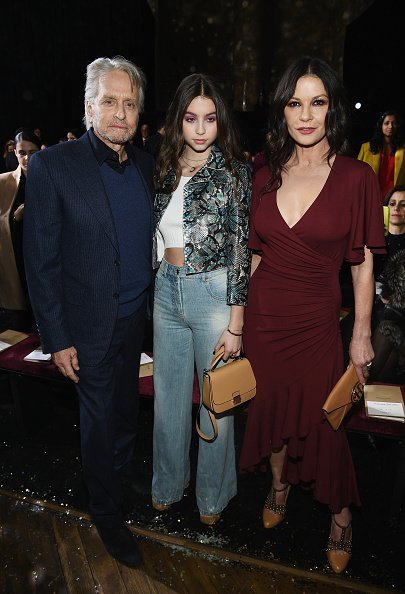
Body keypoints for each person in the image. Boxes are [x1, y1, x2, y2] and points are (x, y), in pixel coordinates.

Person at [239, 56, 385, 574]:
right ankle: (279, 488)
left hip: (318, 324)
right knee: (273, 412)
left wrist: (361, 335)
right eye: (294, 103)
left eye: (317, 102)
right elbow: (254, 256)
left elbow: (362, 262)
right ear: (281, 112)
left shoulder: (356, 178)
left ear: (332, 110)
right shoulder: (264, 173)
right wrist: (236, 323)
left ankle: (341, 516)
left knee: (326, 422)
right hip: (264, 320)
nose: (305, 115)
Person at [23, 56, 154, 567]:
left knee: (125, 411)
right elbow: (41, 260)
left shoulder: (144, 164)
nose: (119, 113)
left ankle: (117, 481)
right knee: (98, 421)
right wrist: (56, 336)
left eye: (129, 103)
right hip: (86, 326)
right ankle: (106, 513)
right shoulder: (54, 165)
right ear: (88, 106)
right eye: (109, 101)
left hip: (134, 321)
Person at [152, 74, 251, 525]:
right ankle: (168, 484)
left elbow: (239, 250)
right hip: (166, 289)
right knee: (167, 400)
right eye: (191, 118)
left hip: (212, 293)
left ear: (220, 122)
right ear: (178, 121)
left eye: (209, 119)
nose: (200, 129)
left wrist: (236, 324)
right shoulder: (166, 166)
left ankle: (212, 497)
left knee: (218, 402)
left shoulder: (232, 172)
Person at [0, 129, 40, 332]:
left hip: (42, 263)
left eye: (32, 153)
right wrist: (17, 217)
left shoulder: (50, 180)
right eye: (22, 152)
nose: (26, 158)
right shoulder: (4, 182)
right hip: (15, 263)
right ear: (14, 152)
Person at [358, 111, 405, 200]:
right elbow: (356, 175)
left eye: (394, 123)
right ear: (380, 126)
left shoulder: (403, 150)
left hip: (395, 199)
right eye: (386, 123)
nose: (390, 126)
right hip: (370, 196)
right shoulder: (366, 148)